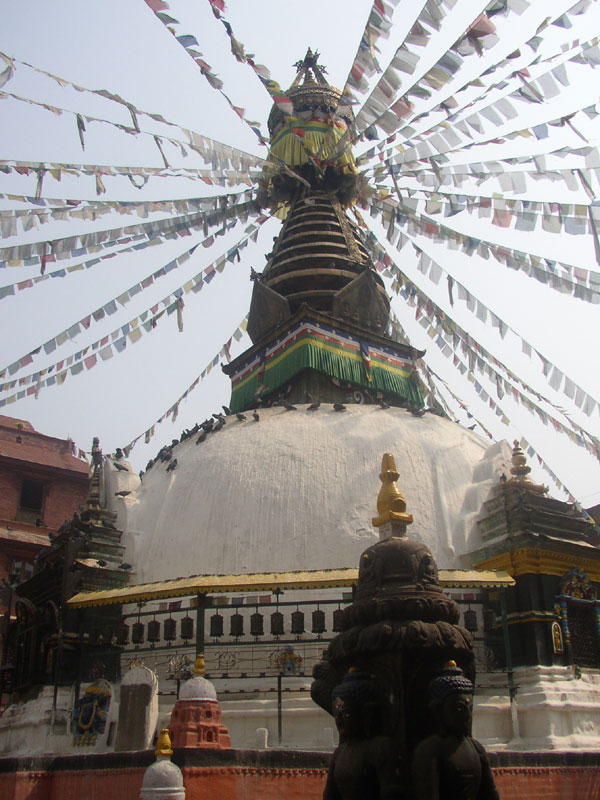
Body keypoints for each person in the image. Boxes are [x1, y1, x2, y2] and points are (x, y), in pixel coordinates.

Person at [412, 661, 499, 800]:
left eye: (469, 709)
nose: (467, 715)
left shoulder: (476, 748)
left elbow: (490, 794)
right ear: (438, 710)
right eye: (459, 709)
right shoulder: (430, 749)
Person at [324, 669, 403, 800]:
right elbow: (330, 795)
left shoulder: (380, 748)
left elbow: (392, 793)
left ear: (367, 713)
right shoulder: (340, 752)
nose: (340, 721)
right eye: (337, 715)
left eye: (347, 714)